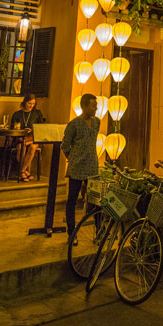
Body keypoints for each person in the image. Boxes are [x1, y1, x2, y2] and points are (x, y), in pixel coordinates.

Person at [62, 93, 99, 236]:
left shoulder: (97, 122)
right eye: (93, 105)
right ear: (83, 106)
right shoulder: (74, 124)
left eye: (96, 105)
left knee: (96, 199)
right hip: (77, 168)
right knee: (72, 200)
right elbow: (65, 145)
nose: (95, 108)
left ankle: (99, 230)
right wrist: (73, 158)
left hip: (92, 167)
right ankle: (71, 232)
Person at [10, 94, 45, 182]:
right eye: (29, 103)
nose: (31, 106)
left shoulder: (37, 113)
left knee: (33, 147)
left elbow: (42, 128)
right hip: (20, 138)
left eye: (33, 104)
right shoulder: (17, 114)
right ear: (25, 102)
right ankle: (25, 171)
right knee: (20, 147)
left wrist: (32, 130)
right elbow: (12, 128)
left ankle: (21, 171)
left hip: (33, 138)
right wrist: (21, 130)